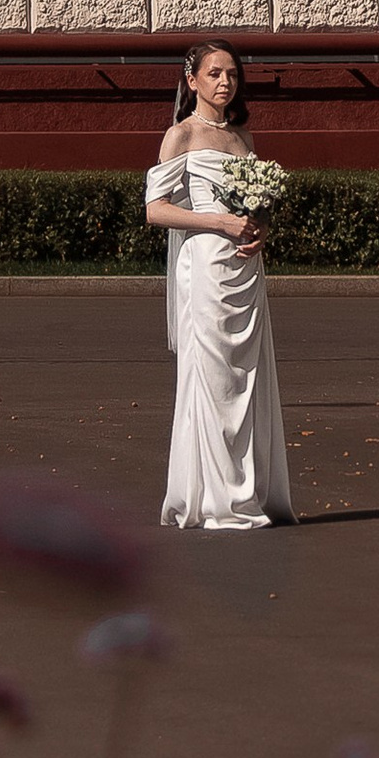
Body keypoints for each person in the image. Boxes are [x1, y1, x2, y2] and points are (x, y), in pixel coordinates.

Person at [144, 36, 294, 532]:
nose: (225, 81)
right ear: (192, 81)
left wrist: (259, 227)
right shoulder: (181, 135)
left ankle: (250, 491)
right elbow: (156, 210)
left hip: (245, 271)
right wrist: (219, 222)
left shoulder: (243, 138)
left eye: (231, 73)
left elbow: (256, 205)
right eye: (214, 73)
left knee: (246, 381)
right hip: (206, 268)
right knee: (212, 380)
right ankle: (216, 499)